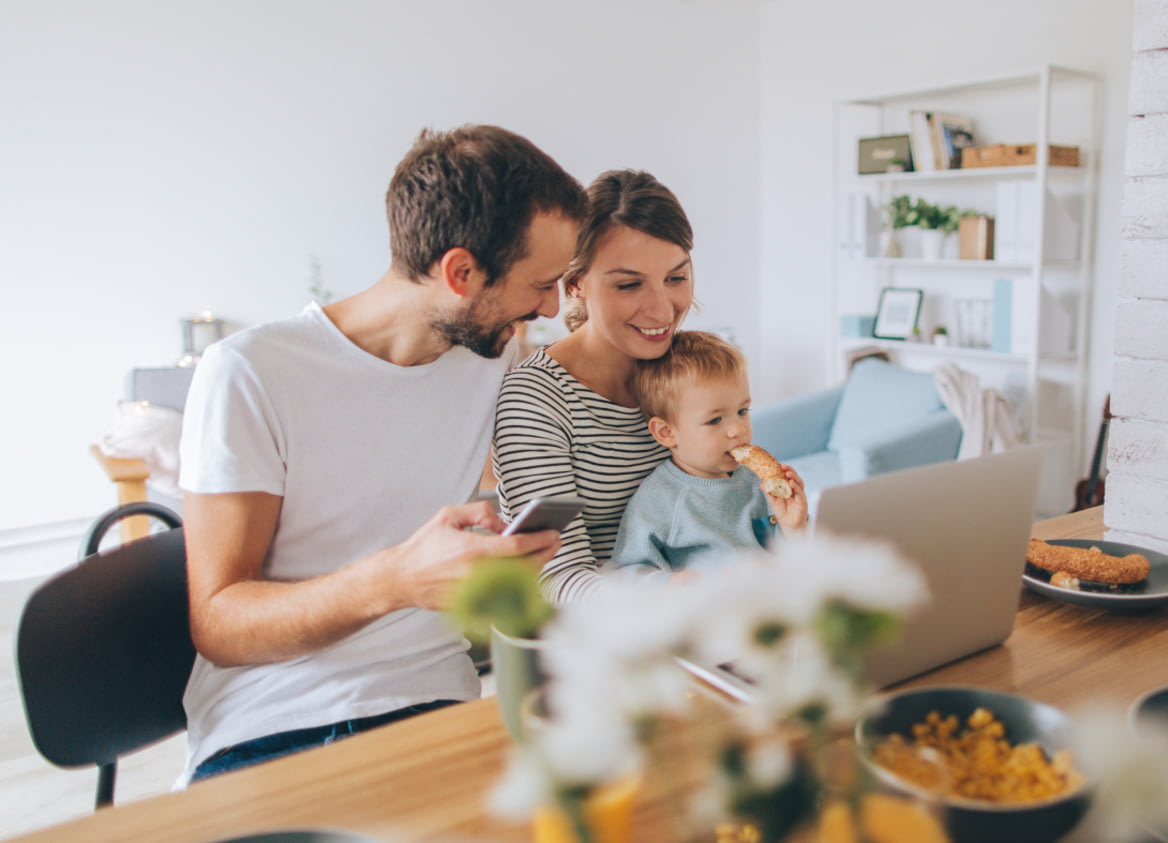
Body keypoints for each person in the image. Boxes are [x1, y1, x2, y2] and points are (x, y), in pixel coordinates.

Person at [176, 124, 586, 782]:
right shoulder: (250, 372)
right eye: (542, 283)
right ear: (460, 272)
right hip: (277, 725)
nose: (552, 305)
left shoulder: (495, 356)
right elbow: (219, 622)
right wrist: (395, 580)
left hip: (437, 709)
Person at [492, 169, 694, 604]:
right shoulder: (537, 399)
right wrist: (673, 595)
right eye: (629, 284)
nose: (662, 310)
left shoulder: (690, 370)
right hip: (601, 639)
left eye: (676, 278)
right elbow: (557, 578)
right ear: (576, 284)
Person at [604, 331, 807, 582]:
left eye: (742, 411)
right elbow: (627, 572)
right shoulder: (659, 500)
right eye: (715, 420)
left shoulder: (757, 482)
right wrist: (672, 584)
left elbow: (787, 556)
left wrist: (792, 528)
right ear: (667, 433)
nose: (738, 430)